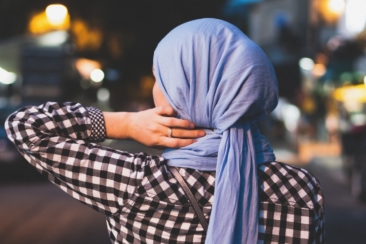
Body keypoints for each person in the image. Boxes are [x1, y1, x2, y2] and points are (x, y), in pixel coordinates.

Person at [6, 18, 324, 243]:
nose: (156, 89)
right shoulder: (301, 190)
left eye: (162, 78)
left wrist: (126, 123)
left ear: (184, 90)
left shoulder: (135, 184)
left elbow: (25, 126)